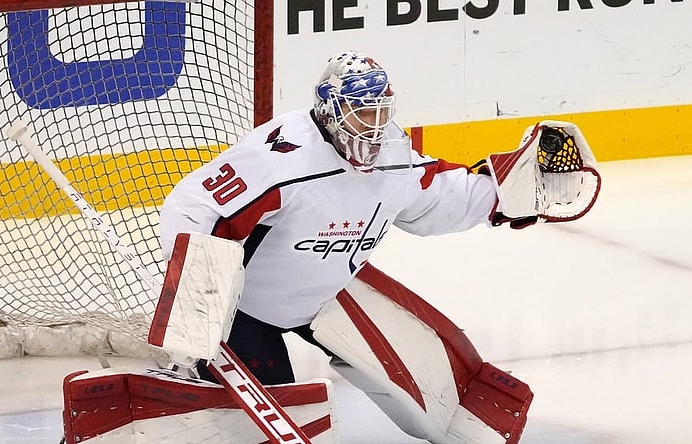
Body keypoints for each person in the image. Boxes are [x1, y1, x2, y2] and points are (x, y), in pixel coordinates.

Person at [159, 50, 500, 385]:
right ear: (329, 111)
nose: (374, 127)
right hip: (244, 315)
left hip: (329, 299)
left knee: (427, 377)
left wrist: (506, 195)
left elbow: (439, 197)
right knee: (282, 413)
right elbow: (195, 209)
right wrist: (194, 319)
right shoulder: (282, 160)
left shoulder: (393, 154)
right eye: (362, 113)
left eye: (380, 113)